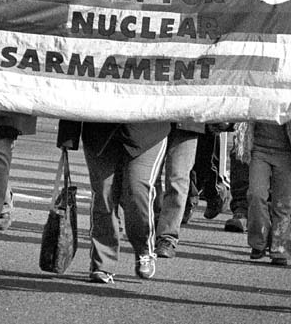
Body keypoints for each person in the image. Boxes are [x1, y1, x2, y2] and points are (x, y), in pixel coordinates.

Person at [58, 120, 169, 283]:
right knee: (104, 194)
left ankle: (145, 250)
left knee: (137, 190)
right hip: (100, 131)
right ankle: (102, 263)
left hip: (148, 132)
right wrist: (67, 135)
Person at [238, 118, 291, 265]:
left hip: (287, 150)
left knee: (282, 203)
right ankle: (259, 241)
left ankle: (280, 248)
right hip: (258, 148)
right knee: (255, 195)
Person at [154, 123, 202, 258]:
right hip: (152, 119)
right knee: (148, 178)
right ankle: (154, 222)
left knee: (178, 177)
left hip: (187, 121)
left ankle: (167, 237)